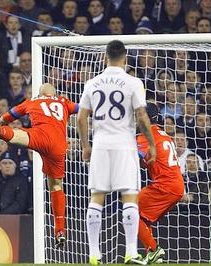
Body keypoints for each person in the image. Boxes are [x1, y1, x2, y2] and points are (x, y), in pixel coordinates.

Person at [76, 40, 156, 265]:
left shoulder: (92, 83)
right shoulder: (133, 82)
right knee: (129, 196)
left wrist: (85, 146)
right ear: (125, 58)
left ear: (105, 57)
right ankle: (131, 253)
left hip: (100, 145)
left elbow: (81, 118)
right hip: (124, 145)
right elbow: (141, 115)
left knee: (96, 198)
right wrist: (151, 144)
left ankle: (93, 255)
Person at [0, 82, 78, 248]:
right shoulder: (63, 102)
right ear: (54, 93)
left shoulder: (31, 102)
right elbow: (83, 108)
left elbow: (7, 116)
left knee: (19, 135)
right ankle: (60, 230)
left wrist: (0, 124)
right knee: (56, 186)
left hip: (39, 136)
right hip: (58, 144)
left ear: (40, 93)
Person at [135, 103, 184, 264]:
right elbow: (149, 160)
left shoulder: (145, 136)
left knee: (131, 212)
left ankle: (154, 250)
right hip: (176, 185)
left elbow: (136, 156)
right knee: (145, 218)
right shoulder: (163, 134)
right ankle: (152, 254)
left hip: (164, 185)